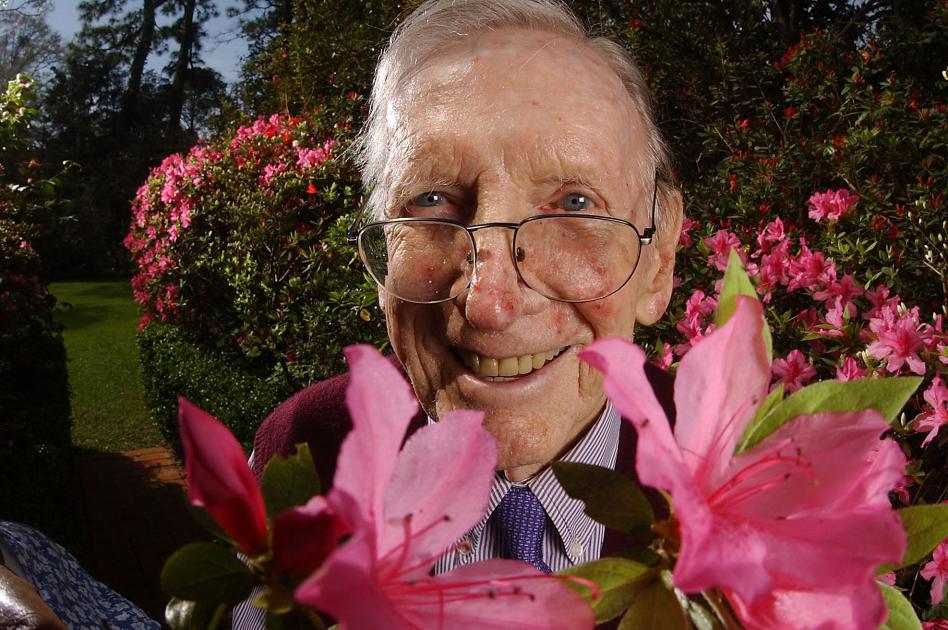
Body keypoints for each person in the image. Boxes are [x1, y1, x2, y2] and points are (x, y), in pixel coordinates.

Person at [237, 0, 682, 624]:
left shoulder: (757, 481)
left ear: (658, 259)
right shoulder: (306, 449)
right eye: (432, 200)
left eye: (574, 203)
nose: (491, 305)